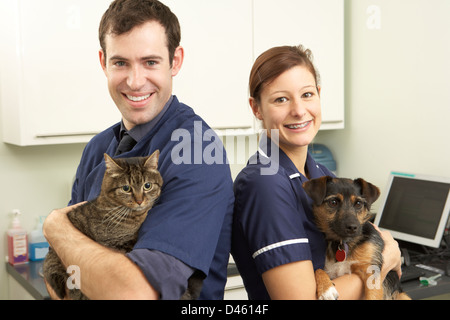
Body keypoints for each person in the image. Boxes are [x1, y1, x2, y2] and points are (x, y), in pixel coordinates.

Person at [43, 0, 234, 300]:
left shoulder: (198, 150)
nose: (134, 81)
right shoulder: (97, 149)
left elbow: (133, 294)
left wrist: (55, 227)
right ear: (103, 62)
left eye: (150, 62)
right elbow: (60, 266)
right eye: (120, 63)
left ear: (175, 61)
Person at [231, 45, 402, 300]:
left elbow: (361, 238)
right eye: (281, 99)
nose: (299, 110)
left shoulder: (320, 173)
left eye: (307, 94)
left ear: (319, 95)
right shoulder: (263, 183)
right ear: (256, 108)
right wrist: (384, 262)